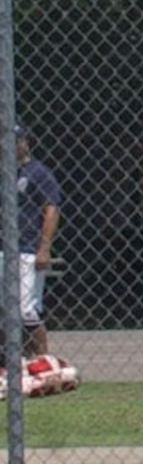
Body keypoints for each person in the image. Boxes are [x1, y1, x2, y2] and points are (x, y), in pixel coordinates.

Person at [10, 126, 62, 358]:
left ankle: (43, 360)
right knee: (5, 311)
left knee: (26, 310)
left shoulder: (38, 173)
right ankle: (11, 363)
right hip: (3, 249)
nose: (11, 145)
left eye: (16, 140)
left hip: (27, 249)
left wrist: (44, 248)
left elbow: (51, 210)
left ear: (25, 142)